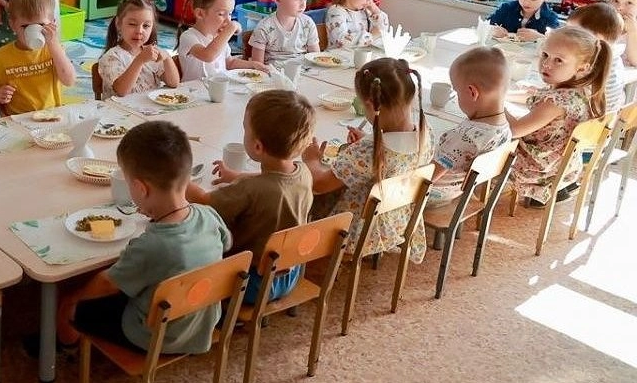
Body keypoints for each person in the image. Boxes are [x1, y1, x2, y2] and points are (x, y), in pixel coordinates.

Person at [52, 121, 231, 354]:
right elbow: (227, 243)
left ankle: (63, 349)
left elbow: (106, 284)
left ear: (140, 188)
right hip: (200, 323)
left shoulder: (152, 246)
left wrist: (77, 296)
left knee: (69, 301)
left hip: (154, 335)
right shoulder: (209, 216)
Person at [186, 90, 314, 304]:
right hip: (290, 273)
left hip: (250, 283)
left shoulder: (251, 190)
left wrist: (177, 179)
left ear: (257, 146)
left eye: (245, 128)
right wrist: (237, 175)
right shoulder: (303, 172)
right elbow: (275, 180)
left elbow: (204, 201)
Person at [303, 58, 434, 263]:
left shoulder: (368, 151)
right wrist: (370, 142)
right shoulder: (426, 132)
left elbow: (320, 184)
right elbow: (395, 160)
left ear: (372, 105)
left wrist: (311, 160)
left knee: (302, 191)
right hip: (399, 220)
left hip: (360, 231)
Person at [507, 26, 609, 207]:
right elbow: (535, 97)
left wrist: (494, 103)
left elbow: (513, 130)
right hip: (561, 165)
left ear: (583, 68)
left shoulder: (556, 102)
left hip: (535, 169)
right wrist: (504, 95)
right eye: (545, 55)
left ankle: (459, 190)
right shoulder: (579, 91)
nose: (546, 64)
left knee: (484, 138)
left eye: (559, 60)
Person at [426, 48, 512, 205]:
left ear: (472, 92)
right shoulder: (505, 129)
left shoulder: (465, 138)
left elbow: (427, 177)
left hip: (436, 194)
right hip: (462, 191)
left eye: (457, 91)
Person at [0, 0, 76, 114]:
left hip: (52, 115)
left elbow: (69, 80)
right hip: (16, 120)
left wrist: (54, 45)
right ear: (13, 25)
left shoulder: (54, 50)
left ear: (52, 23)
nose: (33, 30)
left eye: (41, 25)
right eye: (25, 26)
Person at [177, 0, 268, 81]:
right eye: (221, 14)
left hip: (218, 88)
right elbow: (208, 56)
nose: (228, 20)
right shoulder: (188, 37)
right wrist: (231, 28)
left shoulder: (219, 38)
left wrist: (252, 65)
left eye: (230, 13)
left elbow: (229, 63)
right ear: (200, 13)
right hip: (193, 92)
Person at [98, 0, 181, 97]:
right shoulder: (111, 57)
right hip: (120, 111)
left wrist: (167, 57)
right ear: (118, 24)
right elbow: (122, 91)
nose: (139, 31)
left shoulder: (152, 53)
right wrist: (140, 60)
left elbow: (174, 83)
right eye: (132, 24)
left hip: (149, 109)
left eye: (146, 26)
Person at [249, 0, 321, 67]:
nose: (303, 5)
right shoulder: (264, 27)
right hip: (275, 75)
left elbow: (315, 58)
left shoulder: (308, 23)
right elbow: (257, 66)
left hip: (304, 73)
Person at [567, 2, 625, 115]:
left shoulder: (590, 64)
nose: (566, 37)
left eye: (573, 34)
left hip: (579, 127)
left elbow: (561, 99)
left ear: (596, 37)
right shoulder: (615, 58)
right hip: (602, 128)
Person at [607, 0, 637, 67]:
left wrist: (632, 32)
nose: (620, 7)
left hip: (625, 77)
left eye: (629, 3)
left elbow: (635, 61)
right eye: (616, 1)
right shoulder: (603, 22)